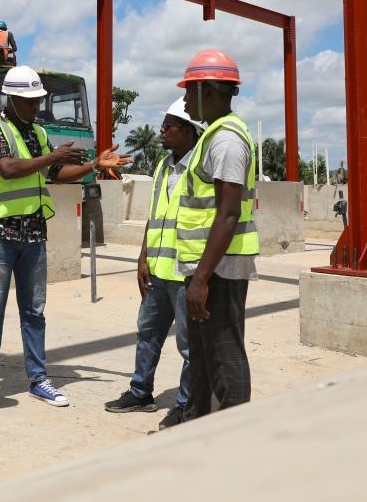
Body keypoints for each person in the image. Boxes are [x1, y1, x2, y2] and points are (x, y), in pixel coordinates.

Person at [0, 65, 130, 411]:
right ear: (10, 99)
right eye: (28, 101)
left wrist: (93, 166)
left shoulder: (38, 133)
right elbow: (8, 169)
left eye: (37, 100)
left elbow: (56, 173)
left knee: (34, 311)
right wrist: (52, 157)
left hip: (32, 234)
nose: (35, 107)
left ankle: (38, 379)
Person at [104, 101, 204, 430]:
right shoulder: (162, 166)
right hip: (159, 270)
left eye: (169, 125)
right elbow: (155, 216)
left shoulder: (202, 167)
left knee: (189, 346)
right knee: (147, 332)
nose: (162, 131)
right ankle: (140, 391)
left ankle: (185, 404)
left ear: (188, 130)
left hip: (186, 271)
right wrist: (142, 257)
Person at [176, 49, 259, 419]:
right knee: (206, 354)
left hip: (220, 271)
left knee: (226, 355)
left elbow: (228, 213)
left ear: (208, 91)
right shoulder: (214, 137)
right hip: (209, 268)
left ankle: (235, 436)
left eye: (189, 90)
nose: (184, 99)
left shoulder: (226, 142)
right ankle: (201, 423)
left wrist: (202, 279)